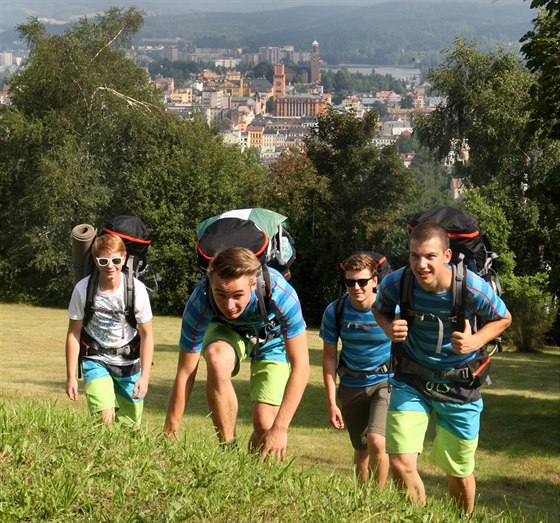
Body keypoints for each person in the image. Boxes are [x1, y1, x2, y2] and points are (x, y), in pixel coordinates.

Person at [374, 221, 512, 515]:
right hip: (412, 380)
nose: (420, 265)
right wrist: (389, 328)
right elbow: (378, 308)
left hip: (460, 386)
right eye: (414, 256)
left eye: (429, 256)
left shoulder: (472, 287)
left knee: (458, 473)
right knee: (399, 462)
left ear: (447, 256)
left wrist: (474, 341)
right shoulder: (398, 282)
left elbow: (503, 318)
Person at [164, 247, 309, 460]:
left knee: (265, 425)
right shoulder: (200, 301)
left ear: (252, 283)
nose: (229, 305)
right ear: (210, 283)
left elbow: (301, 366)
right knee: (216, 359)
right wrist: (169, 434)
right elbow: (186, 372)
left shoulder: (280, 293)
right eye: (220, 294)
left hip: (272, 338)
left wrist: (280, 428)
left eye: (237, 295)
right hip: (227, 330)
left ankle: (250, 471)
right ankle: (227, 451)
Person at [65, 234, 154, 427]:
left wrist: (145, 377)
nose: (110, 266)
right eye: (103, 260)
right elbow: (74, 333)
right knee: (104, 419)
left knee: (130, 428)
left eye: (115, 260)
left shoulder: (136, 290)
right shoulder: (83, 289)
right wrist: (71, 376)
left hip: (129, 363)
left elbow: (147, 335)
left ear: (123, 258)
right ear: (96, 261)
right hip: (95, 358)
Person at [320, 253, 391, 486]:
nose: (356, 287)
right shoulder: (335, 311)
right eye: (350, 282)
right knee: (361, 448)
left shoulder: (391, 307)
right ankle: (363, 500)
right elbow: (329, 357)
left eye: (362, 281)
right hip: (351, 385)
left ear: (374, 280)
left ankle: (378, 501)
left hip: (386, 381)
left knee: (377, 441)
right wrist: (331, 402)